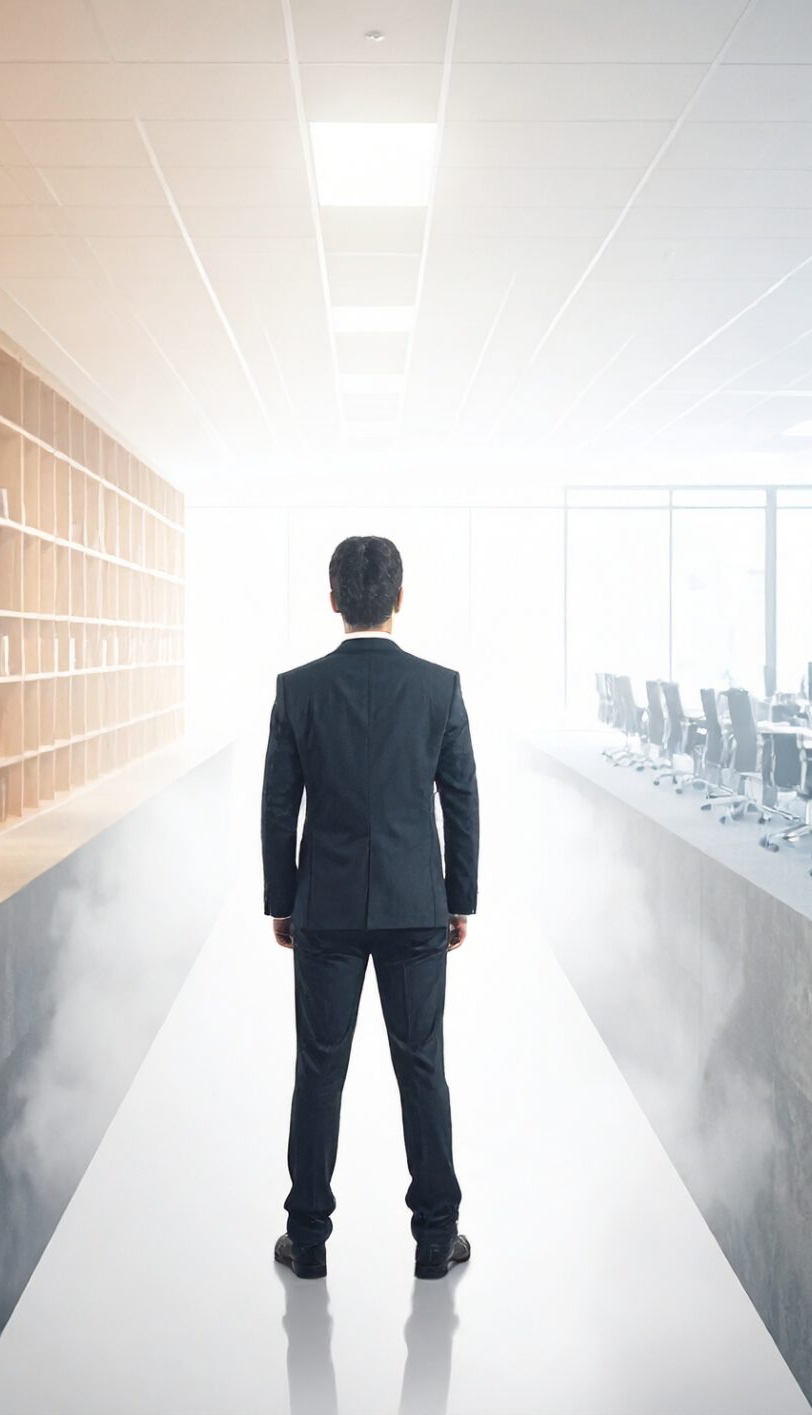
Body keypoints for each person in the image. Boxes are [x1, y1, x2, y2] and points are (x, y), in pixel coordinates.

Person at [262, 536, 480, 1281]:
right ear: (398, 597)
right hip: (417, 905)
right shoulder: (439, 687)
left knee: (319, 1071)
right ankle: (434, 1237)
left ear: (333, 601)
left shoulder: (298, 689)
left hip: (323, 905)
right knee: (422, 1068)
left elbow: (278, 805)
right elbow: (461, 800)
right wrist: (460, 898)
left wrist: (281, 899)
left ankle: (309, 1239)